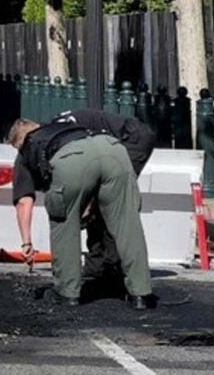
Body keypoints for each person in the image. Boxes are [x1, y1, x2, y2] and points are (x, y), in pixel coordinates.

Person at [8, 116, 155, 310]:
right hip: (113, 149)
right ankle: (141, 293)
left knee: (64, 223)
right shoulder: (62, 125)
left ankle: (67, 292)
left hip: (72, 159)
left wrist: (27, 242)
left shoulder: (28, 146)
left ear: (19, 141)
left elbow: (24, 202)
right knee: (128, 224)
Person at [47, 109, 156, 286]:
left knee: (113, 202)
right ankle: (103, 262)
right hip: (128, 137)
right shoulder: (62, 124)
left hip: (132, 139)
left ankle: (106, 264)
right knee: (106, 199)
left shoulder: (59, 135)